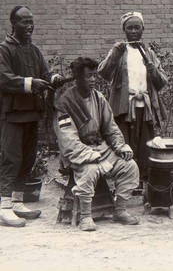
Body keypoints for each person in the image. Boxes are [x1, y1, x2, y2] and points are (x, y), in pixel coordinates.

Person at [54, 57, 140, 231]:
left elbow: (111, 127)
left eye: (94, 76)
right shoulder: (65, 103)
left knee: (129, 166)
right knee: (90, 170)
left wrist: (120, 146)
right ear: (77, 78)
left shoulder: (98, 97)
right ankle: (85, 216)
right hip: (78, 152)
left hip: (101, 148)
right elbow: (67, 138)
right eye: (88, 76)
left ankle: (120, 210)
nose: (93, 80)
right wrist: (89, 154)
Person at [0, 5, 64, 227]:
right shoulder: (4, 49)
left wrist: (54, 78)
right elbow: (4, 78)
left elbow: (44, 73)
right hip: (12, 114)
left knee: (27, 158)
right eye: (25, 22)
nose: (30, 26)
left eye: (31, 21)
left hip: (32, 113)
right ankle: (4, 206)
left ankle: (17, 201)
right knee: (11, 158)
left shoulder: (34, 50)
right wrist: (30, 83)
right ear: (13, 24)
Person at [98, 11, 167, 182]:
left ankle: (144, 183)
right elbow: (103, 73)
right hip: (124, 108)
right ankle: (125, 182)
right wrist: (115, 53)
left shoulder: (149, 53)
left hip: (146, 108)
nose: (134, 31)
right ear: (124, 30)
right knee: (125, 145)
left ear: (143, 29)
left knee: (146, 146)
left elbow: (162, 82)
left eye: (137, 28)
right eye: (130, 28)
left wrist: (153, 70)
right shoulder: (120, 51)